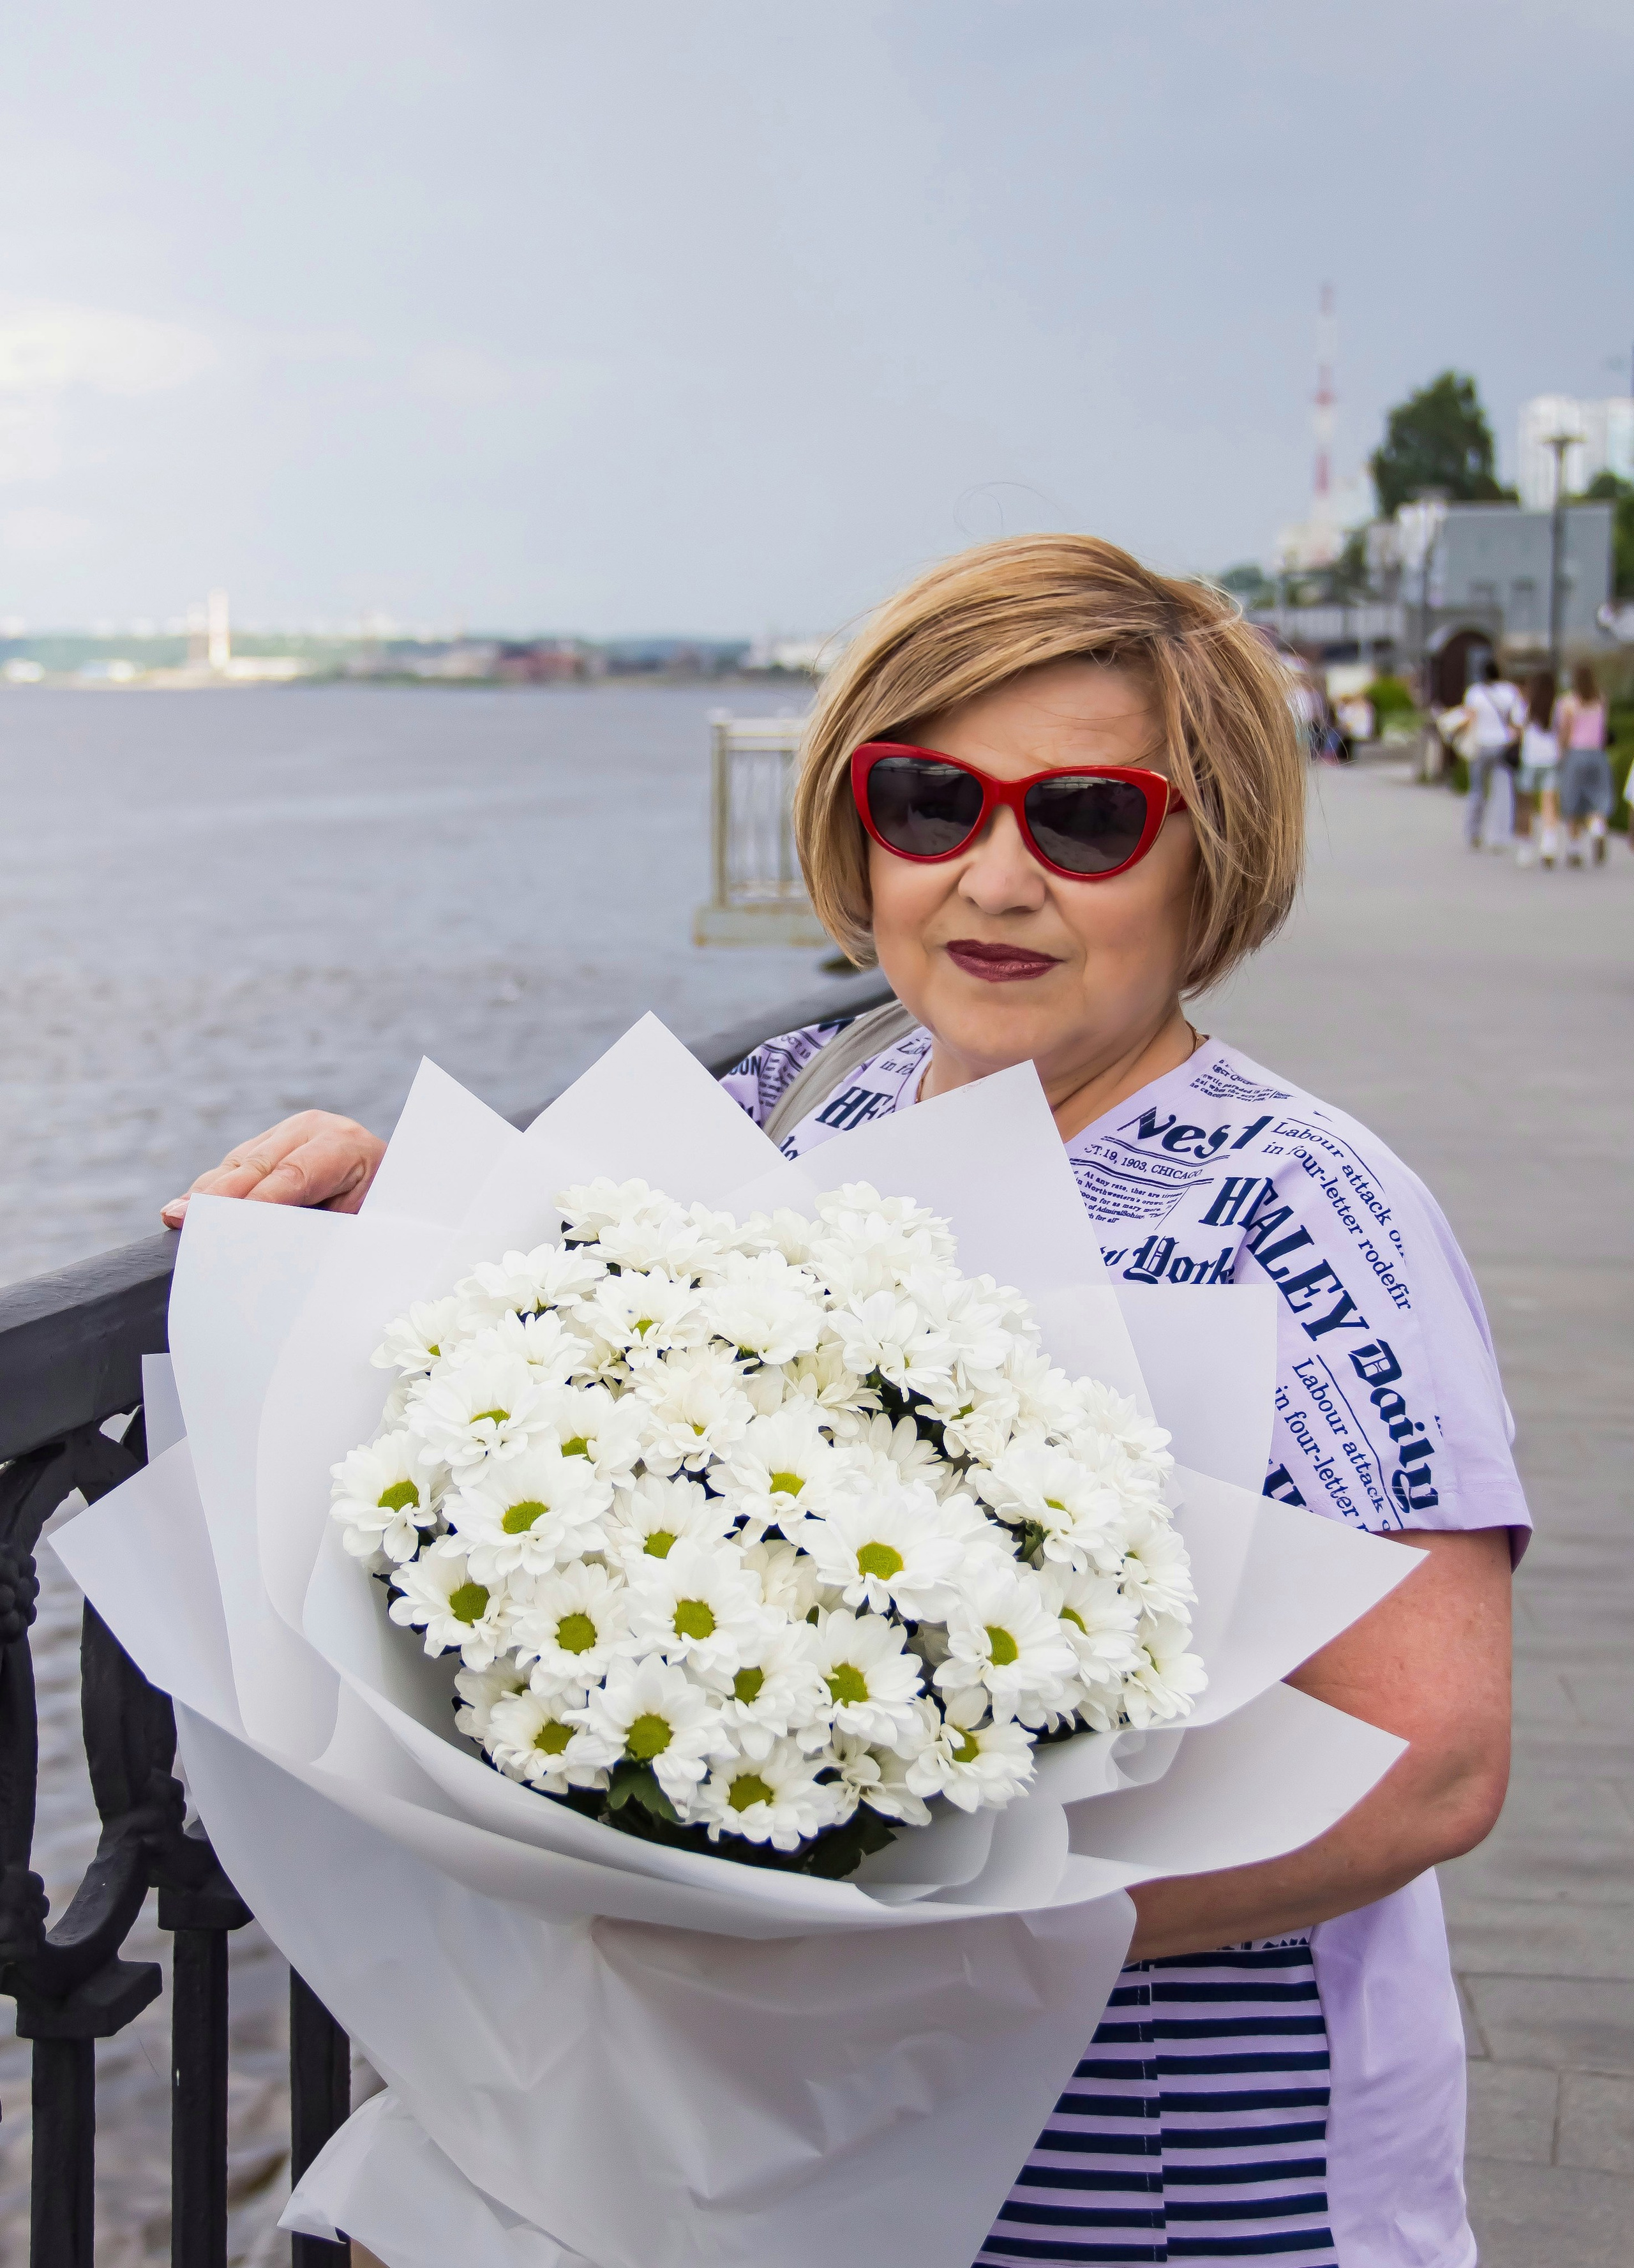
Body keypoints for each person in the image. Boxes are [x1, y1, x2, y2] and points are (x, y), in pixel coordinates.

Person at [164, 535, 1524, 2268]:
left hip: (1174, 2186)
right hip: (793, 2177)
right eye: (931, 801)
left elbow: (1434, 1762)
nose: (999, 879)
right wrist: (384, 1232)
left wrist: (889, 1927)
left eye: (1089, 819)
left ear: (1211, 855)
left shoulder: (1301, 1208)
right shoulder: (799, 1100)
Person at [1441, 657, 1524, 851]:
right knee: (1503, 792)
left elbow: (1469, 719)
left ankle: (1474, 832)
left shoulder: (1475, 692)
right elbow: (1519, 722)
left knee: (1477, 790)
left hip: (1480, 746)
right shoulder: (1510, 692)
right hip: (1503, 745)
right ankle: (1499, 837)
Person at [1555, 663, 1612, 866]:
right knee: (1598, 796)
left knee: (1573, 800)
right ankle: (1598, 827)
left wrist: (1560, 754)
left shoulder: (1568, 703)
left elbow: (1565, 733)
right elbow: (1603, 730)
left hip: (1576, 753)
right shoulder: (1600, 700)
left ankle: (1575, 848)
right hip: (1597, 754)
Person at [1514, 669, 1561, 869]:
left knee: (1526, 805)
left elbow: (1517, 730)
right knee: (1549, 804)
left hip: (1530, 759)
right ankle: (1548, 846)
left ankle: (1526, 849)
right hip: (1551, 758)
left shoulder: (1524, 705)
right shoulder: (1558, 705)